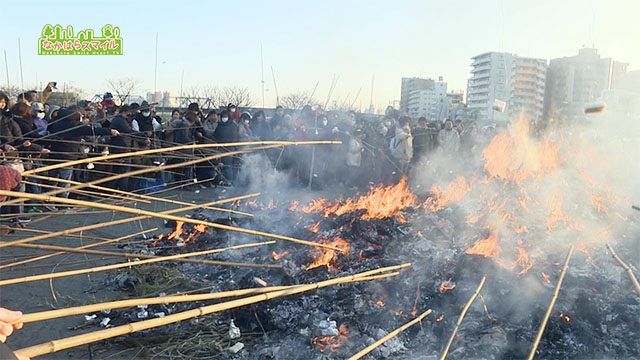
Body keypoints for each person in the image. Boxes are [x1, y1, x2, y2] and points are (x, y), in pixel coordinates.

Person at [213, 110, 239, 185]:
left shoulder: (232, 126)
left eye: (225, 116)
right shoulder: (220, 125)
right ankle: (220, 180)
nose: (224, 118)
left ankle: (229, 180)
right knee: (220, 165)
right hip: (220, 147)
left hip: (229, 148)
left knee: (227, 165)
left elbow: (234, 137)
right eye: (223, 116)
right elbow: (216, 135)